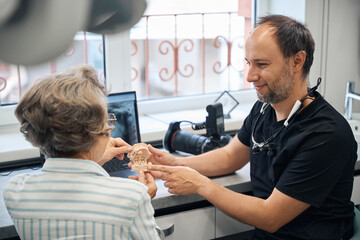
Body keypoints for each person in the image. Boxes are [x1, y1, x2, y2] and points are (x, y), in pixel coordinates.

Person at [147, 15, 358, 240]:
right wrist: (174, 163)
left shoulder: (326, 135)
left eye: (262, 64)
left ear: (297, 61)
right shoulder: (264, 109)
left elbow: (270, 217)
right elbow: (230, 156)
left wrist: (200, 184)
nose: (249, 76)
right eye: (248, 62)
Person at [3, 64, 163, 239]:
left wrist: (92, 158)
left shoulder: (15, 190)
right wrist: (142, 203)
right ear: (95, 132)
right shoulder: (132, 198)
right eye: (107, 121)